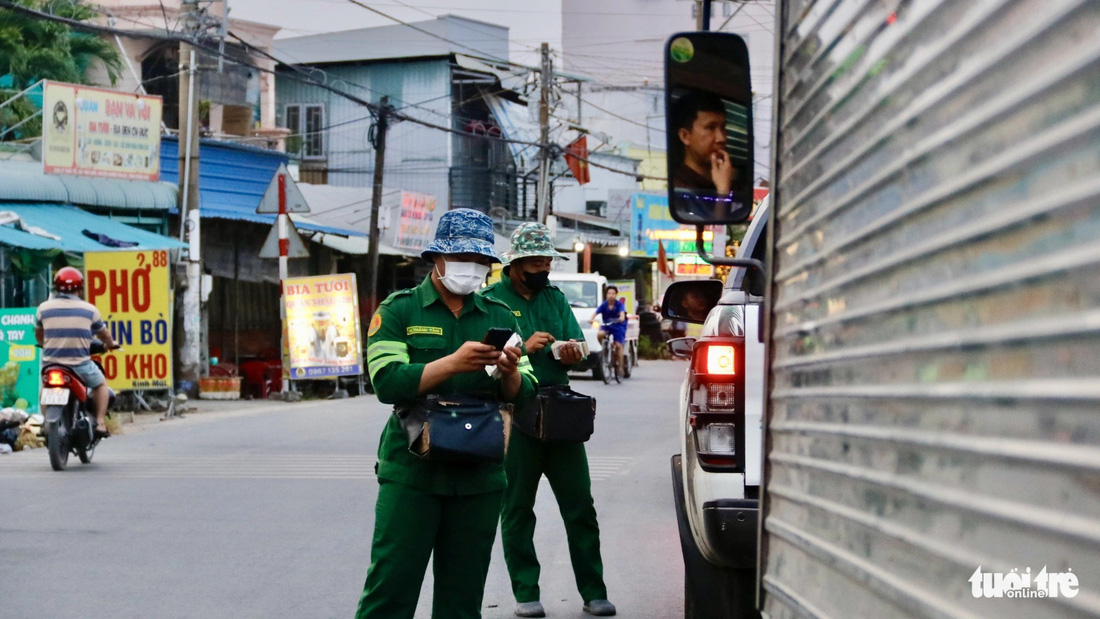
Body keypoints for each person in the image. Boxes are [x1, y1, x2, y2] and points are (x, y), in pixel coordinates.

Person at [355, 209, 538, 619]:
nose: (471, 269)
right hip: (412, 473)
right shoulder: (399, 310)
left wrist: (508, 372)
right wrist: (452, 363)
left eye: (480, 262)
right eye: (462, 259)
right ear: (436, 257)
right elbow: (386, 381)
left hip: (480, 475)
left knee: (463, 596)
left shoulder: (500, 317)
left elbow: (525, 394)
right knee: (391, 588)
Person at [482, 223, 617, 618]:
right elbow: (485, 365)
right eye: (536, 262)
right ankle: (526, 592)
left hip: (561, 414)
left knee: (580, 506)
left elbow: (576, 342)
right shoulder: (491, 301)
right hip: (516, 415)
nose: (544, 268)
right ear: (517, 263)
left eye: (547, 262)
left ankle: (594, 592)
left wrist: (569, 352)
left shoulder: (554, 299)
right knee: (518, 508)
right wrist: (522, 346)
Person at [34, 267, 118, 436]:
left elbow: (39, 334)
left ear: (56, 287)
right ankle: (101, 423)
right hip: (80, 365)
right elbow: (103, 334)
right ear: (80, 287)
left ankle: (46, 424)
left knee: (45, 386)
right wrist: (110, 344)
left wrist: (45, 343)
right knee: (101, 384)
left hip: (51, 365)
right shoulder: (89, 310)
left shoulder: (43, 308)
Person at [671, 90, 733, 195]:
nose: (721, 138)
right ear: (685, 136)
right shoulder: (678, 186)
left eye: (723, 128)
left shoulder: (727, 179)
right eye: (710, 127)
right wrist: (723, 191)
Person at [592, 286, 627, 376]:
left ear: (616, 295)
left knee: (619, 346)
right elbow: (595, 313)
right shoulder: (604, 305)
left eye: (613, 293)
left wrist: (621, 318)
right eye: (609, 293)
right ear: (606, 295)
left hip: (617, 326)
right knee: (600, 334)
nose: (611, 295)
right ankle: (605, 348)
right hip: (606, 325)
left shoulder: (619, 305)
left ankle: (620, 368)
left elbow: (622, 315)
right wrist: (591, 319)